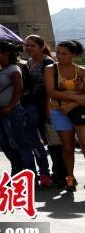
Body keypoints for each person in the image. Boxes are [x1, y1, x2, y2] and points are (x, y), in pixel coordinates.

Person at [44, 40, 85, 191]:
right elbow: (51, 92)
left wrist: (72, 105)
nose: (59, 56)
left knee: (84, 145)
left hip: (80, 112)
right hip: (59, 112)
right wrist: (76, 98)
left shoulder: (81, 71)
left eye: (64, 54)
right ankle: (70, 178)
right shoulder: (50, 69)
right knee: (67, 148)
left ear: (73, 55)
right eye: (58, 53)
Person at [0, 43, 36, 175]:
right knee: (7, 144)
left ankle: (30, 174)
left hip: (12, 111)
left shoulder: (13, 69)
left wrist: (10, 106)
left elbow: (19, 89)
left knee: (20, 143)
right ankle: (16, 171)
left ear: (6, 54)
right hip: (0, 111)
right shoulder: (0, 69)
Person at [22, 35, 55, 187]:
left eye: (32, 45)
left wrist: (48, 107)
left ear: (41, 47)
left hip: (43, 105)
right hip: (31, 105)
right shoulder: (29, 62)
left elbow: (50, 88)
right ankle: (44, 172)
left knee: (51, 141)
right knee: (33, 140)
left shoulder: (47, 62)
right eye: (27, 45)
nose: (28, 48)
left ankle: (53, 172)